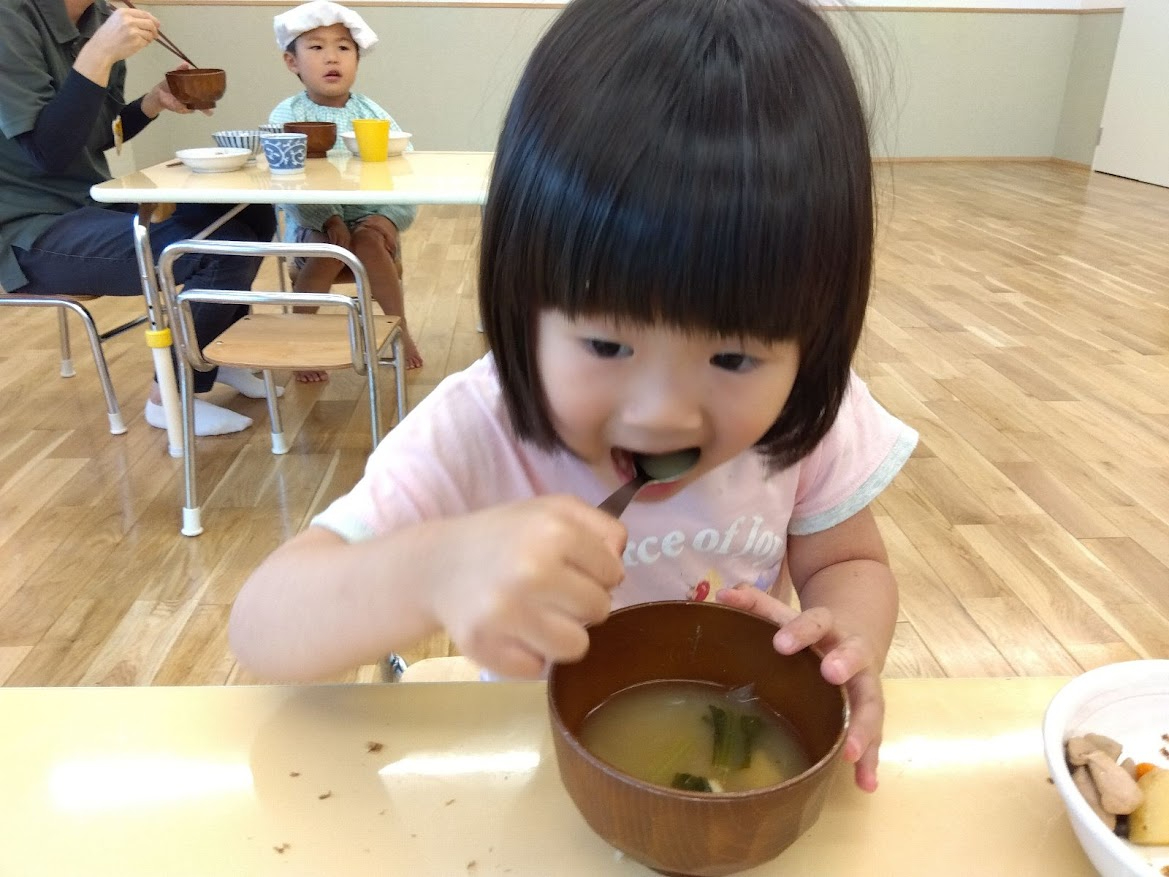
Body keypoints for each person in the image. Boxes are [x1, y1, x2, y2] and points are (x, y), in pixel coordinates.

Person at [230, 0, 918, 793]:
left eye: (732, 356)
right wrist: (433, 571)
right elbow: (264, 624)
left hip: (729, 757)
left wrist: (847, 636)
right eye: (605, 345)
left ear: (814, 334)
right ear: (524, 300)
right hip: (534, 774)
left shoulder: (804, 412)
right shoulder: (482, 425)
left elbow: (847, 559)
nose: (662, 412)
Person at [0, 0, 280, 436]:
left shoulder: (97, 19)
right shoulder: (9, 19)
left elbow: (94, 134)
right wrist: (98, 55)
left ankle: (211, 358)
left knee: (246, 210)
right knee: (210, 251)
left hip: (92, 203)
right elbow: (47, 152)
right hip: (28, 229)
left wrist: (150, 104)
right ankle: (169, 397)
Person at [268, 0, 422, 379]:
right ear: (292, 62)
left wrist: (386, 216)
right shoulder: (286, 115)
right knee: (328, 250)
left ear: (357, 58)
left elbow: (404, 167)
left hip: (371, 215)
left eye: (343, 47)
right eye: (316, 48)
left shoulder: (371, 112)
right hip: (314, 220)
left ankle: (399, 329)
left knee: (368, 240)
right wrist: (330, 217)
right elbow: (285, 184)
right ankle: (301, 337)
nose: (331, 58)